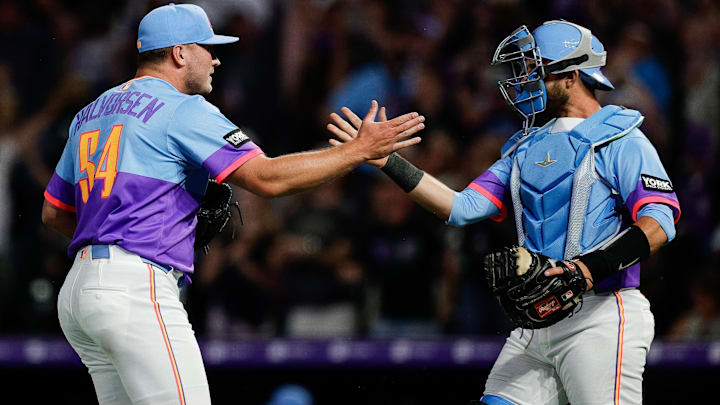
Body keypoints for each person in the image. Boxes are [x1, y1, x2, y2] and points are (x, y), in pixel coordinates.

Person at [40, 3, 425, 405]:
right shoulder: (183, 108)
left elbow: (54, 212)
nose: (217, 57)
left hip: (80, 292)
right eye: (208, 47)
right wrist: (359, 150)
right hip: (136, 288)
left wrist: (112, 237)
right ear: (179, 53)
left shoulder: (91, 112)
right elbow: (267, 178)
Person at [328, 20, 680, 405]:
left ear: (571, 75)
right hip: (537, 320)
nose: (524, 80)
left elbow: (660, 221)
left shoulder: (622, 135)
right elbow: (459, 207)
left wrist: (587, 269)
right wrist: (388, 161)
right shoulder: (524, 148)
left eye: (535, 68)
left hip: (602, 314)